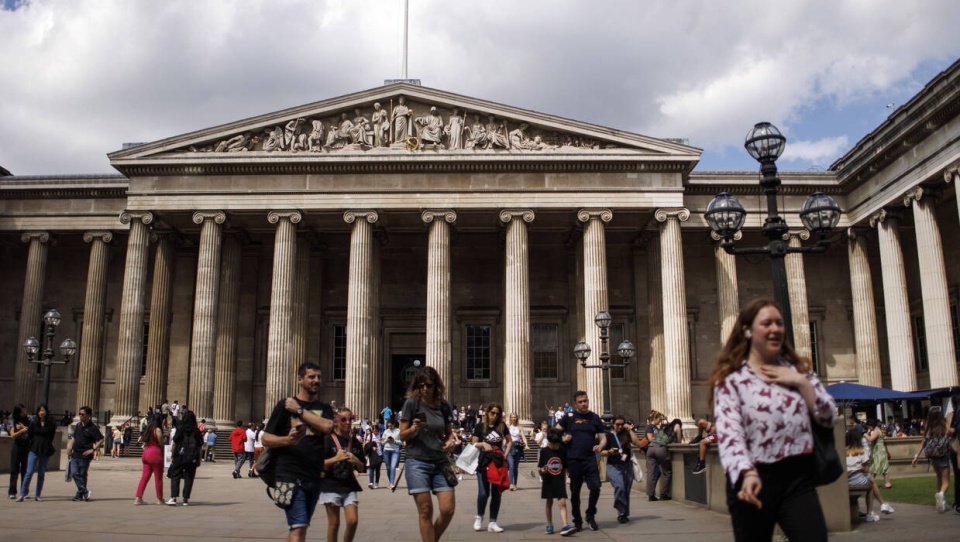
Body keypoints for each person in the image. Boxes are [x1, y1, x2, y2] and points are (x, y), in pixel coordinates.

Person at [709, 299, 837, 542]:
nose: (775, 329)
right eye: (766, 323)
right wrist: (747, 473)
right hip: (753, 479)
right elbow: (730, 434)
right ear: (747, 330)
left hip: (797, 477)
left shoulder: (799, 371)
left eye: (779, 323)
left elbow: (830, 417)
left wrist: (801, 382)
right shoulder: (731, 380)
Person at [263, 362, 334, 542]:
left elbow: (327, 426)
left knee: (299, 526)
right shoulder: (284, 406)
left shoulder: (323, 408)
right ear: (299, 380)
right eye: (311, 377)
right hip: (288, 475)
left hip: (314, 476)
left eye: (319, 377)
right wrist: (287, 440)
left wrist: (299, 410)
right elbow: (266, 438)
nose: (316, 380)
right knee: (299, 526)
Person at [399, 365, 458, 542]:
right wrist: (414, 428)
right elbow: (401, 434)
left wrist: (450, 441)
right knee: (426, 511)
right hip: (417, 461)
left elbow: (448, 432)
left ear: (436, 386)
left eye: (429, 385)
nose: (425, 388)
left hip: (440, 461)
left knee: (448, 510)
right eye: (421, 385)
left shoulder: (444, 406)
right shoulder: (411, 404)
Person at [555, 390, 605, 532]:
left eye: (586, 401)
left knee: (595, 487)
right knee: (575, 492)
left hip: (590, 458)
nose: (584, 404)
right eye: (581, 402)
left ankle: (590, 514)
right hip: (574, 459)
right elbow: (554, 432)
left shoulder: (594, 418)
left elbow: (603, 437)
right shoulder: (569, 417)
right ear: (575, 404)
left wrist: (601, 445)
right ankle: (577, 519)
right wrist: (562, 438)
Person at [320, 407, 366, 542]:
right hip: (330, 485)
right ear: (336, 421)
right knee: (334, 524)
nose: (348, 422)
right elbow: (318, 464)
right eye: (344, 419)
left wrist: (356, 460)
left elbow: (363, 468)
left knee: (353, 521)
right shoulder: (328, 439)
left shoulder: (355, 441)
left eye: (350, 419)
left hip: (349, 485)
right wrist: (336, 458)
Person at [471, 403, 511, 532]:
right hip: (483, 462)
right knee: (483, 493)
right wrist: (483, 443)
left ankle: (493, 522)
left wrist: (505, 455)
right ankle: (479, 516)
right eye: (493, 413)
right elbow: (473, 443)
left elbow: (509, 441)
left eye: (497, 414)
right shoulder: (480, 426)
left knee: (496, 493)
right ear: (487, 413)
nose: (495, 416)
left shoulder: (502, 426)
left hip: (497, 462)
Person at [846, 429, 894, 521]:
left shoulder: (843, 451)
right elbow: (866, 469)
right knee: (871, 483)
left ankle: (883, 504)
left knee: (870, 479)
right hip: (857, 479)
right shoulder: (860, 451)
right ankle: (871, 512)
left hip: (846, 481)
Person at [602, 415, 642, 523]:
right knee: (619, 486)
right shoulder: (609, 436)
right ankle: (620, 508)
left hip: (626, 465)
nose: (619, 427)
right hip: (613, 466)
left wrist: (630, 429)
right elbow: (602, 452)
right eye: (617, 424)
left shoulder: (627, 433)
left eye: (621, 424)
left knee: (626, 491)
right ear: (613, 425)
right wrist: (610, 451)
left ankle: (623, 514)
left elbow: (637, 442)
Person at [911, 405, 952, 512]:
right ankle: (941, 494)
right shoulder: (944, 427)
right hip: (943, 455)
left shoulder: (928, 429)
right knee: (946, 481)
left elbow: (923, 443)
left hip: (933, 457)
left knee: (939, 478)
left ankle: (941, 502)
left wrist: (916, 456)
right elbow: (951, 433)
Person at [538, 428, 576, 536]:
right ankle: (549, 524)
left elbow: (564, 467)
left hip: (559, 481)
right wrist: (542, 470)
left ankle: (565, 525)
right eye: (552, 444)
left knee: (562, 503)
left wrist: (566, 479)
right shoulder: (544, 451)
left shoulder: (562, 451)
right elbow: (540, 467)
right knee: (549, 503)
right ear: (549, 441)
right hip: (548, 481)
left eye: (556, 444)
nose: (554, 446)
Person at [16, 404, 56, 502]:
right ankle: (22, 494)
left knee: (41, 473)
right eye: (40, 410)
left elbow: (51, 437)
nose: (42, 412)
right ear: (38, 412)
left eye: (43, 410)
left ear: (46, 412)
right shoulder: (33, 423)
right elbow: (30, 435)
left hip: (45, 448)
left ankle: (38, 495)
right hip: (34, 448)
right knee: (29, 472)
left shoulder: (51, 424)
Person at [67, 406, 104, 502]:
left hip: (85, 455)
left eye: (82, 414)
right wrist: (70, 447)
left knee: (82, 475)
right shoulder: (78, 425)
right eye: (79, 414)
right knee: (74, 473)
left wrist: (93, 449)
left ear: (88, 416)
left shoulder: (92, 428)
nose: (80, 416)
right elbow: (74, 437)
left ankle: (79, 495)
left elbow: (101, 439)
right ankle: (85, 491)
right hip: (75, 453)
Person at [167, 410, 203, 506]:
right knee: (189, 477)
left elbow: (174, 442)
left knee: (175, 476)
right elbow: (199, 447)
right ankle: (185, 499)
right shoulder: (197, 431)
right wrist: (199, 459)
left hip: (179, 455)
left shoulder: (180, 429)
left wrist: (172, 454)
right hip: (192, 457)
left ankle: (173, 498)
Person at [647, 417, 682, 501]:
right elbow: (679, 441)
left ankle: (651, 495)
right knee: (666, 472)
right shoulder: (677, 426)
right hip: (661, 448)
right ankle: (664, 494)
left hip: (651, 447)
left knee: (651, 472)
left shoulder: (665, 427)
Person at [133, 414, 164, 505]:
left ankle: (138, 498)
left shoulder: (148, 429)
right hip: (155, 453)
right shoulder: (157, 430)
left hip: (146, 453)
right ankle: (159, 498)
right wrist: (165, 439)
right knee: (158, 478)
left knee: (144, 477)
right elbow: (161, 443)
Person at [7, 404, 29, 500]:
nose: (24, 413)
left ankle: (24, 491)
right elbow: (12, 435)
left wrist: (25, 428)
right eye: (22, 412)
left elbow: (31, 431)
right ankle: (12, 491)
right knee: (14, 469)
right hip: (17, 446)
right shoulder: (14, 421)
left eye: (25, 411)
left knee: (25, 470)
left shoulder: (29, 420)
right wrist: (22, 431)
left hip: (26, 446)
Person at [865, 418, 892, 489]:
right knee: (882, 468)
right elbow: (871, 442)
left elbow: (871, 439)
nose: (868, 428)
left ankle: (871, 482)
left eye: (869, 426)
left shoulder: (876, 431)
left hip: (878, 452)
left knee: (875, 467)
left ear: (871, 425)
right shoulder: (878, 430)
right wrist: (868, 433)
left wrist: (865, 434)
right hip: (880, 451)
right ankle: (887, 483)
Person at [644, 410, 665, 501]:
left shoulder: (657, 427)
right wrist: (660, 438)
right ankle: (651, 494)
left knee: (656, 472)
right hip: (652, 449)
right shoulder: (649, 427)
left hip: (654, 449)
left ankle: (651, 493)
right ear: (655, 418)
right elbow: (650, 438)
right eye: (659, 419)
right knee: (652, 473)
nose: (660, 421)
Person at [505, 412, 528, 491]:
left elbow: (523, 437)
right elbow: (505, 438)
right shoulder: (508, 427)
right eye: (512, 417)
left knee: (515, 467)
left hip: (517, 447)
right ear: (510, 418)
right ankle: (510, 483)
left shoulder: (520, 427)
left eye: (515, 417)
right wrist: (503, 446)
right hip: (510, 447)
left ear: (516, 418)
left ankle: (515, 484)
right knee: (511, 466)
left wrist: (526, 444)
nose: (513, 419)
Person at [381, 419, 401, 490]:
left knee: (393, 467)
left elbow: (401, 442)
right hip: (386, 450)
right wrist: (386, 440)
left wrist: (394, 441)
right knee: (388, 467)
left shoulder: (398, 431)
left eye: (391, 426)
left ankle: (392, 483)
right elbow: (382, 443)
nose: (389, 427)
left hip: (395, 450)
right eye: (388, 426)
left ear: (394, 424)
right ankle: (390, 482)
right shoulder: (385, 431)